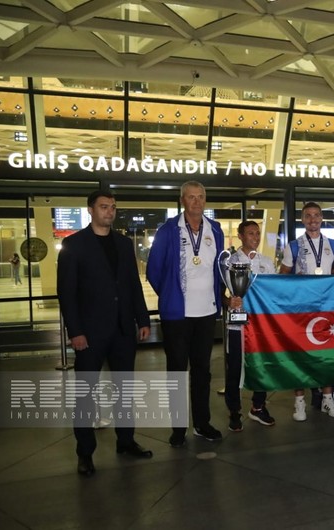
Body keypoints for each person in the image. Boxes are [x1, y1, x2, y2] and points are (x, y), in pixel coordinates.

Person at [57, 189, 152, 477]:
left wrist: (143, 319)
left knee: (125, 390)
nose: (109, 211)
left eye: (112, 207)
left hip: (123, 330)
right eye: (103, 207)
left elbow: (132, 285)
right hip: (90, 333)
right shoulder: (73, 245)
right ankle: (85, 453)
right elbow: (67, 293)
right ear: (90, 210)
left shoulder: (123, 244)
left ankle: (126, 441)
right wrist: (75, 331)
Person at [147, 181, 224, 447]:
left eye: (200, 197)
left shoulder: (215, 229)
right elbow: (153, 271)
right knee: (177, 371)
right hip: (177, 315)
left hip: (207, 312)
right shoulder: (168, 230)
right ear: (182, 201)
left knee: (202, 371)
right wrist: (170, 294)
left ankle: (202, 423)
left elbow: (218, 269)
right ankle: (178, 428)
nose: (196, 202)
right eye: (191, 197)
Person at [279, 201, 334, 421]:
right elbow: (283, 277)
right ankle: (299, 402)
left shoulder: (333, 245)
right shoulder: (293, 246)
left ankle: (327, 399)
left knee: (326, 355)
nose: (313, 219)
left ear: (322, 218)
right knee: (300, 355)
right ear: (303, 219)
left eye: (316, 215)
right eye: (308, 216)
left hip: (325, 309)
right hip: (301, 310)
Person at [223, 221, 276, 431]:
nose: (255, 237)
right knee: (234, 368)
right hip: (237, 325)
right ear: (240, 236)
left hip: (261, 326)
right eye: (250, 233)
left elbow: (273, 292)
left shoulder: (267, 262)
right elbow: (220, 295)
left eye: (257, 233)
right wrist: (229, 302)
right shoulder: (229, 262)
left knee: (260, 367)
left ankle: (258, 406)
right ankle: (234, 410)